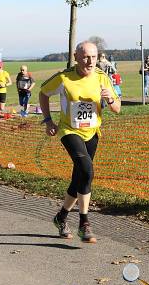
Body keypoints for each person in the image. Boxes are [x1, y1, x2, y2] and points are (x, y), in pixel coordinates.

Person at [39, 41, 121, 243]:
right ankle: (84, 223)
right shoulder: (64, 77)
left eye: (93, 57)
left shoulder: (102, 78)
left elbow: (117, 108)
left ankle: (61, 217)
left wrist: (110, 99)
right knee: (86, 169)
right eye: (85, 57)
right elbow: (43, 93)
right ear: (76, 57)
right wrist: (48, 119)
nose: (90, 61)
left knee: (80, 177)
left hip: (92, 132)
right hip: (69, 131)